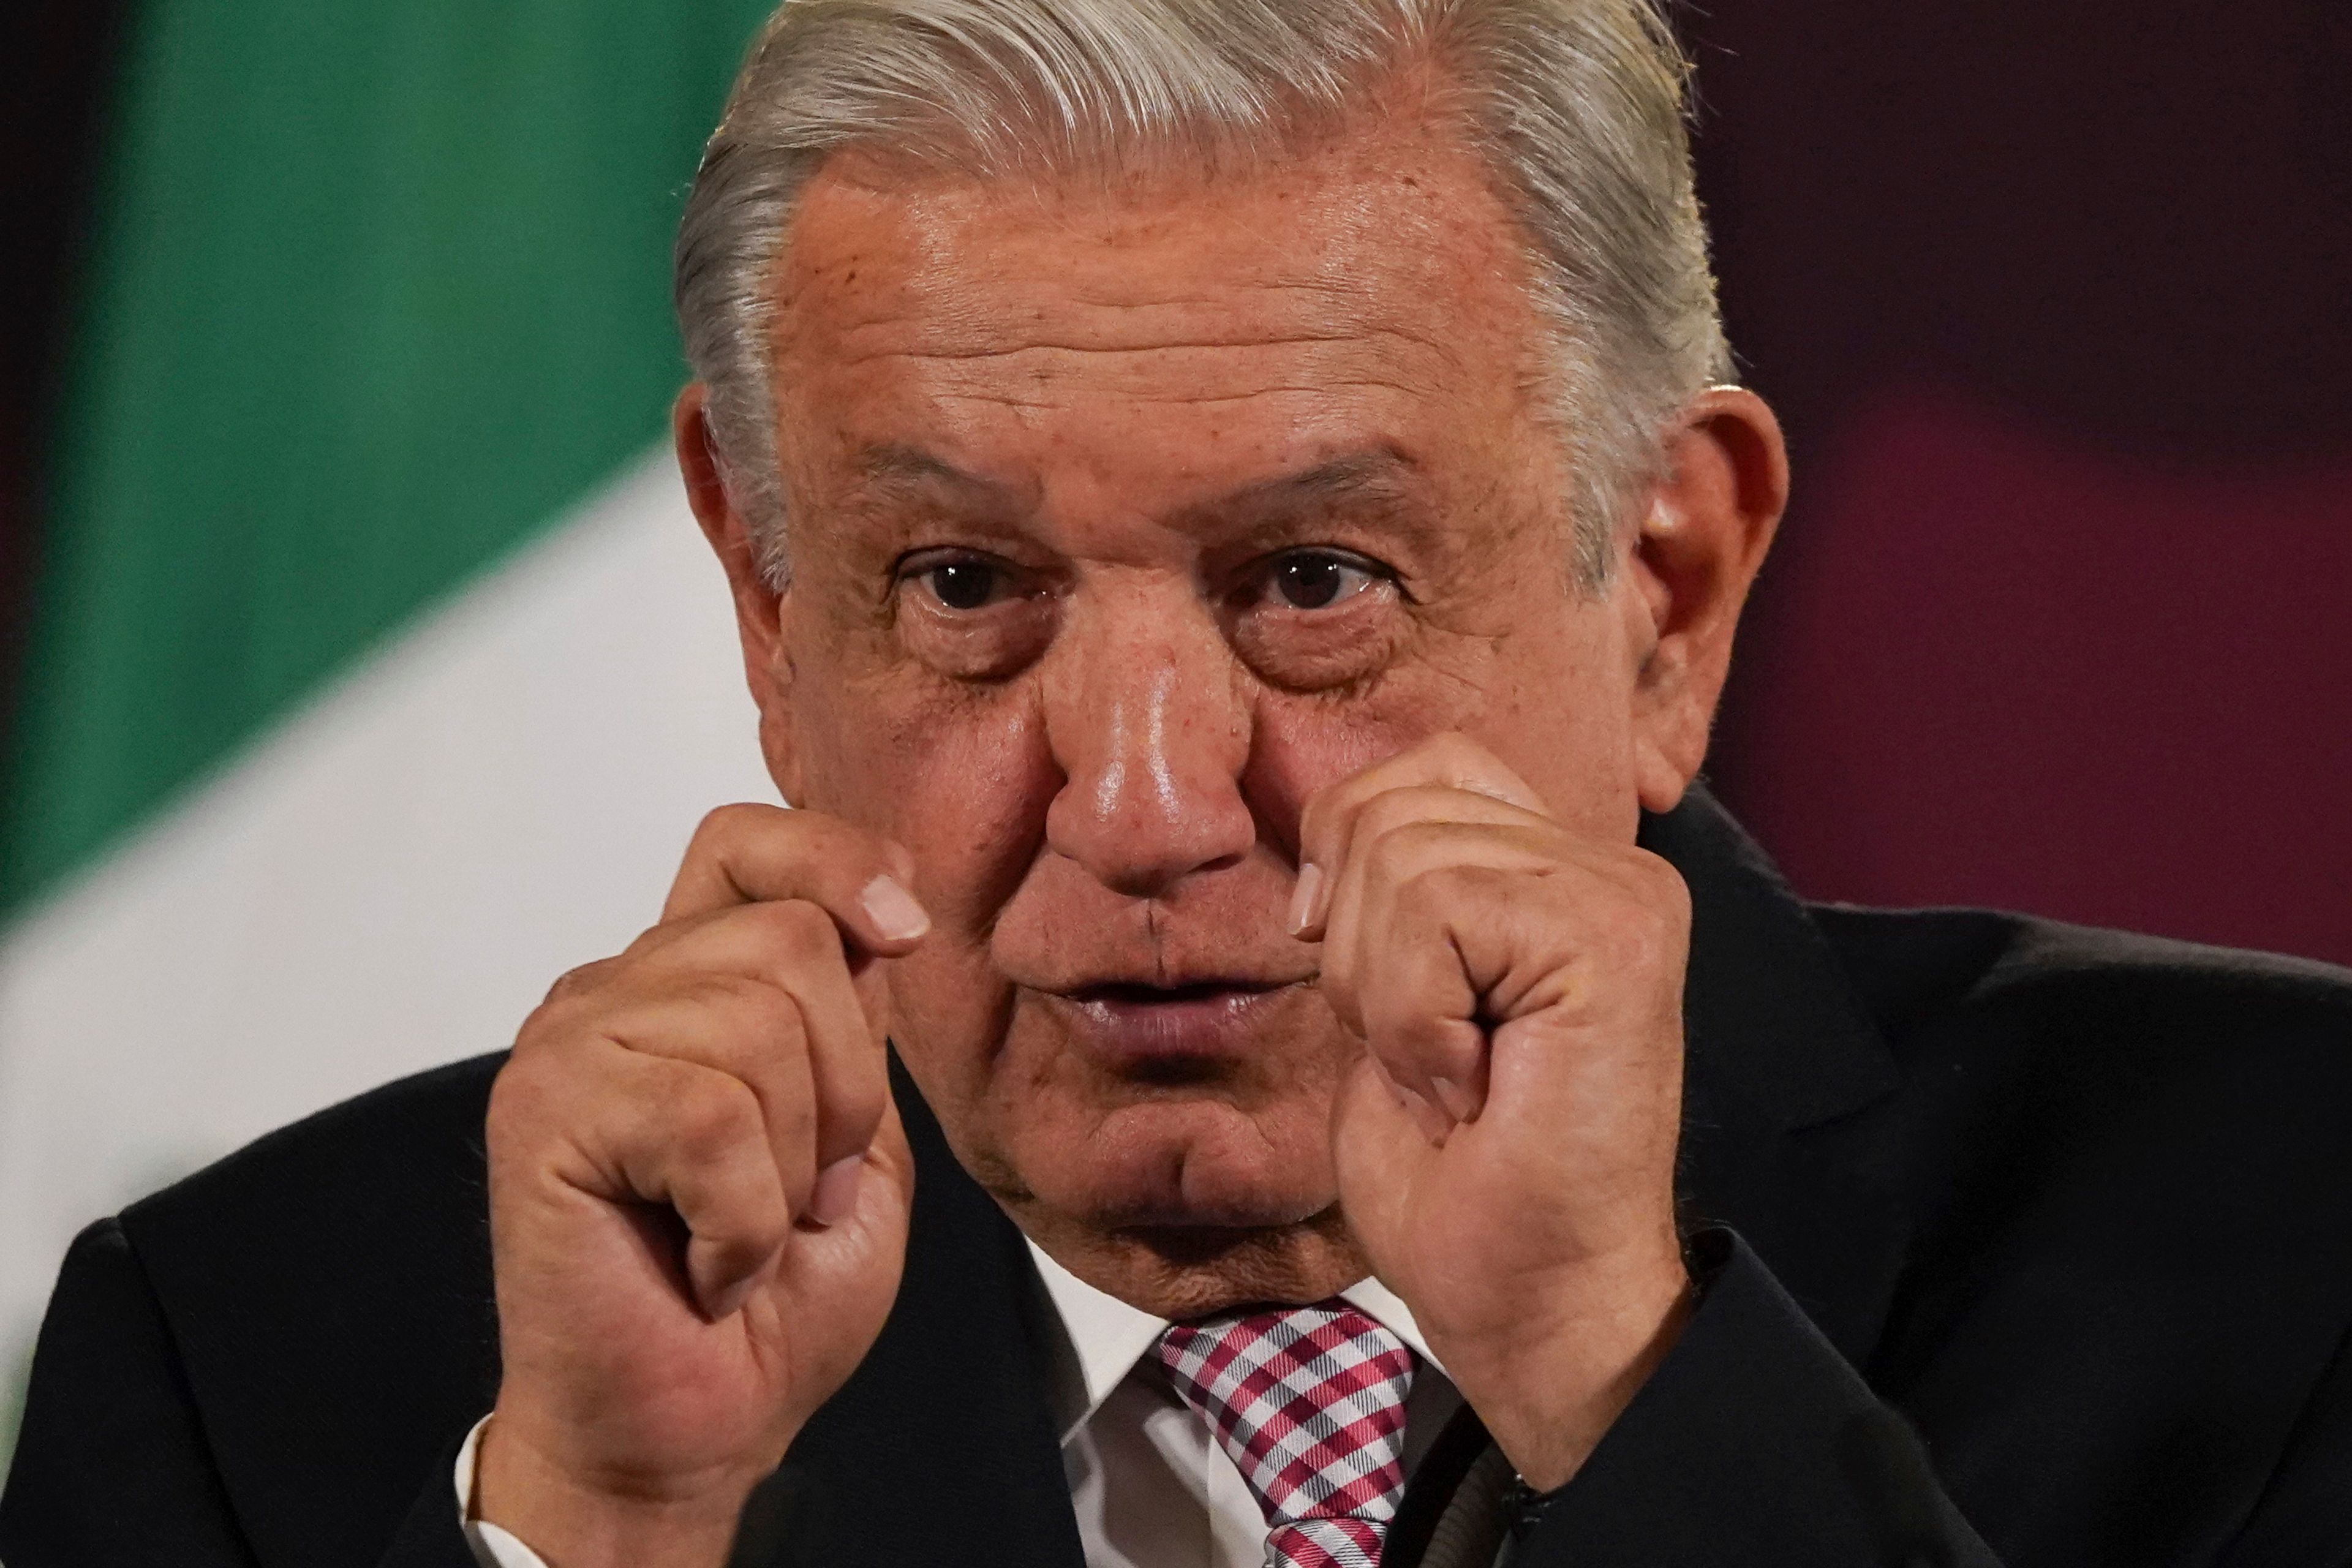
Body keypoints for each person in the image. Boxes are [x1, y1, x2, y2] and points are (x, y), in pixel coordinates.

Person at [6, 1, 2351, 1564]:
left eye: (1313, 581)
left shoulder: (2290, 1234)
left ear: (1666, 587)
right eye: (956, 583)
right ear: (762, 596)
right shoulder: (276, 1374)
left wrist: (1624, 1384)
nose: (1139, 805)